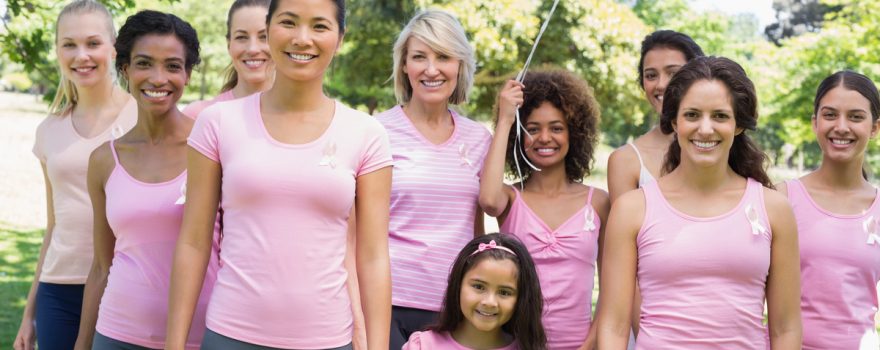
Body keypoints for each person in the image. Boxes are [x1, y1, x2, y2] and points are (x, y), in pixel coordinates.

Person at [165, 0, 393, 349]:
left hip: (328, 340)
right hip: (230, 335)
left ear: (340, 38)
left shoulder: (366, 133)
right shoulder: (218, 123)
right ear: (269, 29)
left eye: (319, 26)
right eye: (289, 22)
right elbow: (194, 243)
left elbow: (374, 256)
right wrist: (174, 344)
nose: (302, 39)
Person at [597, 56, 802, 349]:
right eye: (692, 115)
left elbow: (786, 328)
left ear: (739, 125)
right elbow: (614, 327)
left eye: (719, 116)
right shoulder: (632, 209)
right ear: (673, 122)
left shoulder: (774, 209)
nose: (705, 129)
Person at [70, 10, 216, 350]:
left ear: (189, 74)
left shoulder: (212, 148)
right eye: (144, 63)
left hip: (200, 336)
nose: (158, 78)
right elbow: (101, 267)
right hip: (117, 332)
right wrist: (82, 343)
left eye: (173, 65)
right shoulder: (104, 160)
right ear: (125, 70)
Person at [15, 1, 137, 349]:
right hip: (58, 290)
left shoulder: (141, 117)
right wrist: (30, 313)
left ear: (114, 47)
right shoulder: (48, 131)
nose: (81, 55)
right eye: (69, 44)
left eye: (93, 43)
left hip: (122, 284)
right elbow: (55, 225)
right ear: (57, 50)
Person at [375, 10, 491, 348]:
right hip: (389, 305)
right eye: (419, 57)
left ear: (460, 65)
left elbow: (476, 228)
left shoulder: (478, 139)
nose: (431, 69)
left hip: (456, 309)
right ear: (403, 66)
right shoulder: (376, 132)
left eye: (443, 56)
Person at [479, 70, 609, 349]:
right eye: (532, 128)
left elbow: (612, 290)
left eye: (556, 128)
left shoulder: (598, 202)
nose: (544, 137)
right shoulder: (510, 198)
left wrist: (590, 345)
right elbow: (488, 199)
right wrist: (504, 118)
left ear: (574, 133)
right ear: (519, 134)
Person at [777, 70, 880, 349]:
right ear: (815, 122)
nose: (842, 126)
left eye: (856, 117)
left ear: (874, 128)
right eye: (830, 114)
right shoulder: (781, 199)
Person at [607, 30, 705, 201]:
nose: (661, 85)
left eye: (673, 73)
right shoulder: (626, 160)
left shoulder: (723, 146)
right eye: (651, 75)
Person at [402, 233, 546, 350]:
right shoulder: (422, 346)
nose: (489, 302)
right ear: (458, 285)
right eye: (479, 287)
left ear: (520, 299)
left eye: (504, 292)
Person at [182, 0, 274, 119]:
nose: (253, 49)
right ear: (228, 45)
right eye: (241, 37)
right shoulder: (198, 115)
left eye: (264, 37)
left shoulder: (303, 113)